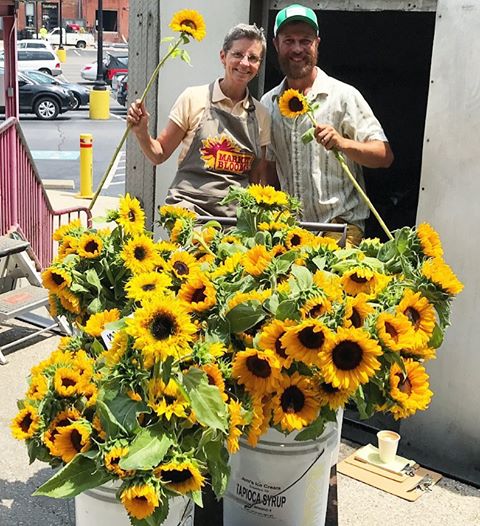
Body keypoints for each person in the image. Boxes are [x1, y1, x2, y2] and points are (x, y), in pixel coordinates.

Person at [261, 4, 394, 245]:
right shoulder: (268, 103)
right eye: (289, 41)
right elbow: (269, 169)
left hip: (340, 227)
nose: (297, 49)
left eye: (305, 40)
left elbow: (384, 156)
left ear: (317, 43)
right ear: (276, 45)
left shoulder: (343, 96)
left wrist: (342, 143)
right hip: (291, 231)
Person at [126, 23, 270, 217]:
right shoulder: (193, 98)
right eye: (237, 54)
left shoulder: (261, 114)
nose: (244, 63)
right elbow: (158, 154)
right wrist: (142, 132)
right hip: (190, 212)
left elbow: (257, 177)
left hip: (235, 219)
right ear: (223, 56)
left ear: (259, 66)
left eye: (252, 58)